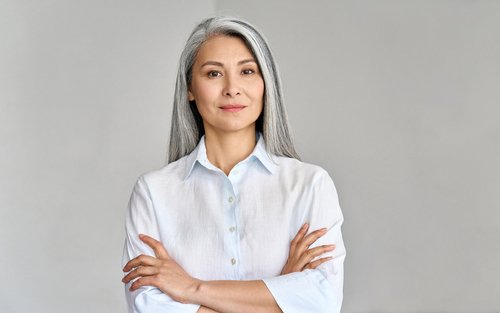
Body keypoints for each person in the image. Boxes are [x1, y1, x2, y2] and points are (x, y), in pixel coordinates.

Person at [122, 16, 346, 313]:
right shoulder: (153, 192)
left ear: (266, 84)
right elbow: (149, 307)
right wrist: (281, 293)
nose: (232, 88)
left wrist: (192, 289)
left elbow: (323, 302)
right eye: (214, 73)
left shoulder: (310, 185)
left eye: (247, 71)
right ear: (190, 88)